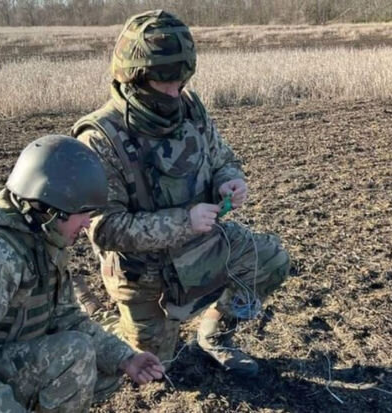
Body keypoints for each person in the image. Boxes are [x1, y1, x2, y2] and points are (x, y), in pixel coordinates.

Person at [71, 10, 290, 378]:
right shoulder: (99, 139)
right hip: (146, 275)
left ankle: (214, 336)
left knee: (272, 261)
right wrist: (183, 221)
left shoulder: (190, 108)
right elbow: (104, 228)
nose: (176, 92)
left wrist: (230, 179)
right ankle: (93, 315)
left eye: (181, 81)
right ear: (135, 79)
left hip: (206, 246)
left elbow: (223, 157)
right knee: (155, 368)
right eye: (165, 83)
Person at [0, 135, 164, 413]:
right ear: (53, 208)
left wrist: (125, 358)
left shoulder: (44, 238)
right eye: (83, 213)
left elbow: (65, 317)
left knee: (101, 365)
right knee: (75, 354)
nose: (88, 223)